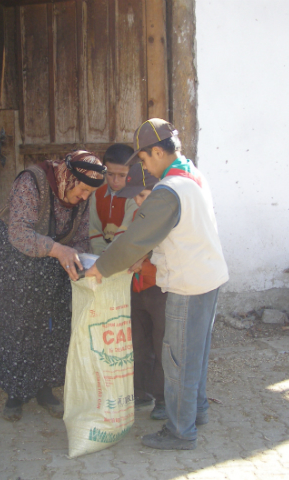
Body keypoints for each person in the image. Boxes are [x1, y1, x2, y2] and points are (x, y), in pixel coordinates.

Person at [85, 119, 229, 451]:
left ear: (158, 151)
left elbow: (135, 239)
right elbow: (177, 230)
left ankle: (180, 432)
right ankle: (198, 412)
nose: (144, 168)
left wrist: (102, 268)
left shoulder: (169, 190)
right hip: (210, 276)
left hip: (187, 283)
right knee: (196, 354)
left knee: (177, 360)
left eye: (145, 160)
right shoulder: (192, 173)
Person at [0, 151, 106, 422]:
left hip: (50, 259)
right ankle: (15, 392)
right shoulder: (32, 182)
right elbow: (19, 233)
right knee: (17, 321)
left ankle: (45, 388)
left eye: (89, 193)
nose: (84, 197)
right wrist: (58, 249)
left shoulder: (81, 196)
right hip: (10, 256)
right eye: (82, 190)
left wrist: (80, 259)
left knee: (53, 320)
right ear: (68, 177)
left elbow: (80, 238)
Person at [116, 163, 168, 419]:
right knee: (138, 342)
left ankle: (163, 399)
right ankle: (141, 393)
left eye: (144, 195)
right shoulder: (139, 215)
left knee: (161, 345)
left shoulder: (168, 214)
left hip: (160, 288)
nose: (139, 201)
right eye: (136, 196)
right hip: (137, 289)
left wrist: (142, 261)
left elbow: (165, 252)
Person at [89, 144, 138, 255]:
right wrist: (101, 254)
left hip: (125, 254)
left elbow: (124, 236)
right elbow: (94, 230)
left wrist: (107, 259)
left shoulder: (135, 197)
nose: (115, 180)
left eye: (122, 175)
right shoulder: (97, 194)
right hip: (101, 255)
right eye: (110, 174)